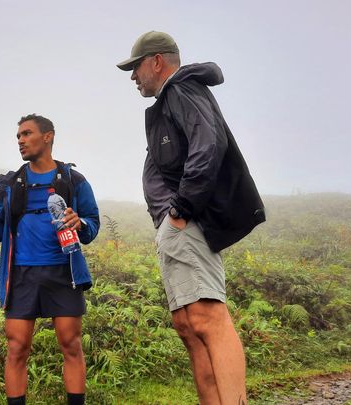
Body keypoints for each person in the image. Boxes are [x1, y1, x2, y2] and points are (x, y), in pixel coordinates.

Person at [117, 31, 265, 405]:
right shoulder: (166, 104)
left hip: (188, 220)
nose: (133, 77)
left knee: (208, 318)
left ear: (156, 61)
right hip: (174, 225)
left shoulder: (182, 90)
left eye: (135, 67)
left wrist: (182, 210)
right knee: (187, 324)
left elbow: (209, 144)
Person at [0, 114, 99, 405]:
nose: (21, 141)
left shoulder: (74, 181)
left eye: (27, 134)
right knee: (16, 348)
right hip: (21, 275)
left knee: (71, 345)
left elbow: (92, 225)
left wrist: (81, 223)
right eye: (18, 137)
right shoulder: (12, 186)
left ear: (48, 136)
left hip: (64, 272)